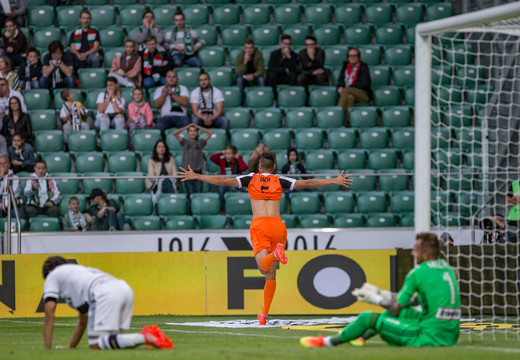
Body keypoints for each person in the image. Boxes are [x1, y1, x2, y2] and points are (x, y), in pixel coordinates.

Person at [179, 152, 353, 325]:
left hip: (260, 225)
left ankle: (276, 256)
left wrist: (197, 176)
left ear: (259, 167)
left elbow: (223, 181)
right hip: (278, 225)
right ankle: (264, 314)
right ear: (274, 167)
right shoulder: (280, 180)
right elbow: (307, 182)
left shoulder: (251, 178)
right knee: (271, 273)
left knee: (263, 268)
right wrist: (333, 180)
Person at [300, 232, 461, 348]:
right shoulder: (447, 269)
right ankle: (362, 338)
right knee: (403, 312)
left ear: (425, 254)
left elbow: (395, 307)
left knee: (366, 317)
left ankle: (327, 343)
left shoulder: (417, 273)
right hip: (451, 334)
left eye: (415, 250)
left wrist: (374, 299)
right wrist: (381, 292)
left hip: (429, 337)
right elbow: (414, 301)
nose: (412, 253)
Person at [41, 256, 174, 350]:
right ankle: (149, 337)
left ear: (49, 272)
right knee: (112, 341)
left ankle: (145, 336)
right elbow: (83, 319)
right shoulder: (78, 273)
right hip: (123, 288)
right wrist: (71, 347)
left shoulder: (53, 275)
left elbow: (49, 312)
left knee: (96, 345)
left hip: (104, 293)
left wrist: (47, 349)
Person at [336, 47, 372, 127]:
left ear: (358, 57)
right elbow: (340, 79)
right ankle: (348, 122)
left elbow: (365, 83)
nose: (352, 57)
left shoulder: (363, 67)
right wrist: (340, 86)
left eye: (354, 56)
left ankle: (337, 115)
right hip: (347, 93)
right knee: (350, 97)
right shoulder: (345, 66)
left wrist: (349, 88)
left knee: (347, 90)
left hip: (363, 94)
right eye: (350, 56)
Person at [173, 123, 212, 197]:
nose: (192, 132)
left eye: (194, 131)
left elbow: (210, 133)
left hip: (198, 171)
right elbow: (175, 133)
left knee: (198, 192)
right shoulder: (185, 142)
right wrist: (186, 127)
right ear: (187, 133)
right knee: (190, 192)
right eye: (190, 131)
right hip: (187, 172)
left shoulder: (200, 143)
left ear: (197, 133)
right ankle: (191, 208)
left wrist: (198, 126)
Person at [209, 145, 248, 214]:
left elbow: (244, 168)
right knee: (221, 191)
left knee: (246, 190)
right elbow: (212, 158)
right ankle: (223, 210)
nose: (227, 156)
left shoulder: (238, 160)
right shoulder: (222, 161)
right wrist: (222, 153)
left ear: (234, 154)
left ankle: (246, 208)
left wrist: (238, 158)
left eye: (229, 154)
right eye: (226, 153)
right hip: (225, 182)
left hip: (236, 182)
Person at [153, 70, 190, 135]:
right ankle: (162, 144)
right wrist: (164, 93)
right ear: (165, 79)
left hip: (181, 116)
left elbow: (184, 103)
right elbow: (157, 105)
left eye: (173, 77)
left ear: (177, 79)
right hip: (165, 117)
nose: (171, 79)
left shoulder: (183, 88)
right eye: (169, 77)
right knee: (159, 126)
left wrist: (172, 94)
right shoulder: (159, 89)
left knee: (187, 124)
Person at [0, 154, 23, 218]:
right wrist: (1, 178)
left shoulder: (15, 177)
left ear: (8, 165)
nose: (2, 165)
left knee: (20, 215)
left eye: (4, 163)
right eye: (0, 163)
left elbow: (14, 192)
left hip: (12, 204)